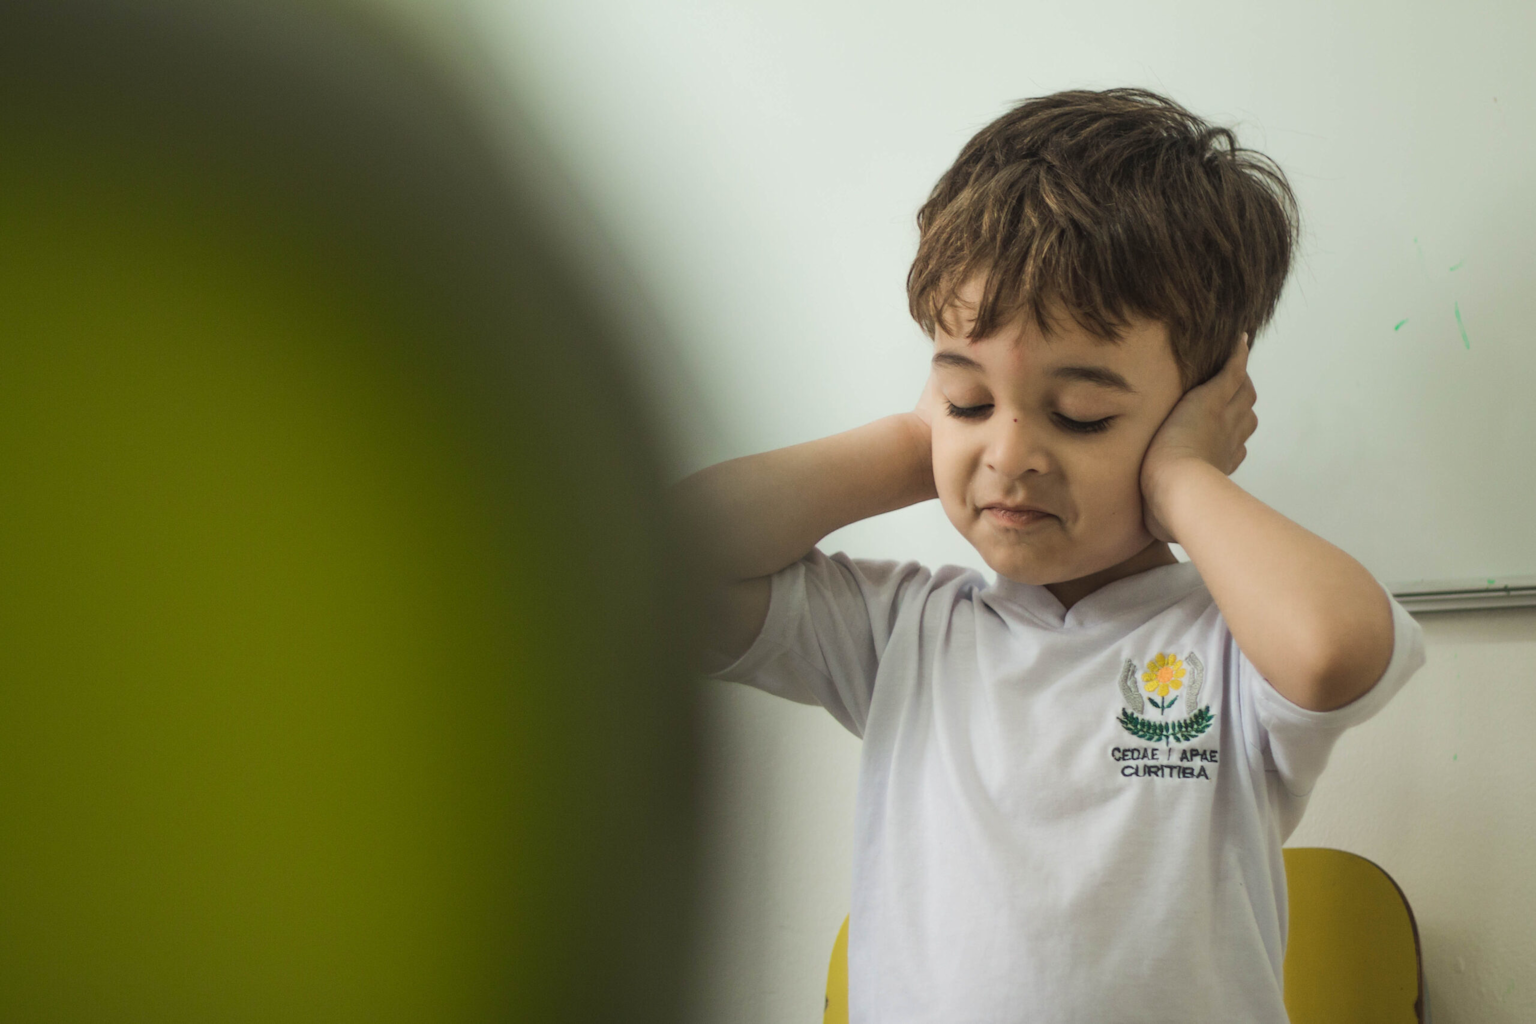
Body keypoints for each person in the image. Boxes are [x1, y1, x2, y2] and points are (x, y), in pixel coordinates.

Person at [674, 88, 1426, 1021]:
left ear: (1199, 409)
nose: (1010, 454)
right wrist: (915, 446)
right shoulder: (904, 633)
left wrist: (1183, 476)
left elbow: (1334, 650)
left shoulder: (1228, 644)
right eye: (968, 401)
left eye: (1082, 415)